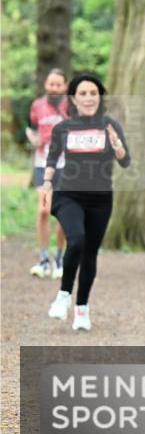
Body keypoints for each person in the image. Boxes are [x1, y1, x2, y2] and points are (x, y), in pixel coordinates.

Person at [42, 74, 131, 331]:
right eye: (83, 93)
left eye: (94, 93)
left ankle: (82, 309)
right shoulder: (63, 128)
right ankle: (63, 295)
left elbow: (125, 161)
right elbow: (52, 158)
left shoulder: (110, 125)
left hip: (100, 198)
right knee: (77, 239)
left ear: (100, 97)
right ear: (73, 98)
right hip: (68, 194)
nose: (89, 98)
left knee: (90, 253)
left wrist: (117, 145)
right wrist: (46, 184)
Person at [27, 69, 68, 279]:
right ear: (46, 84)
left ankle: (59, 259)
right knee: (44, 210)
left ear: (65, 86)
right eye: (51, 84)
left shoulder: (71, 106)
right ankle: (43, 260)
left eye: (58, 84)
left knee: (62, 213)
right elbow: (30, 128)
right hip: (43, 164)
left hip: (67, 165)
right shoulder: (37, 105)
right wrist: (34, 139)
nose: (54, 88)